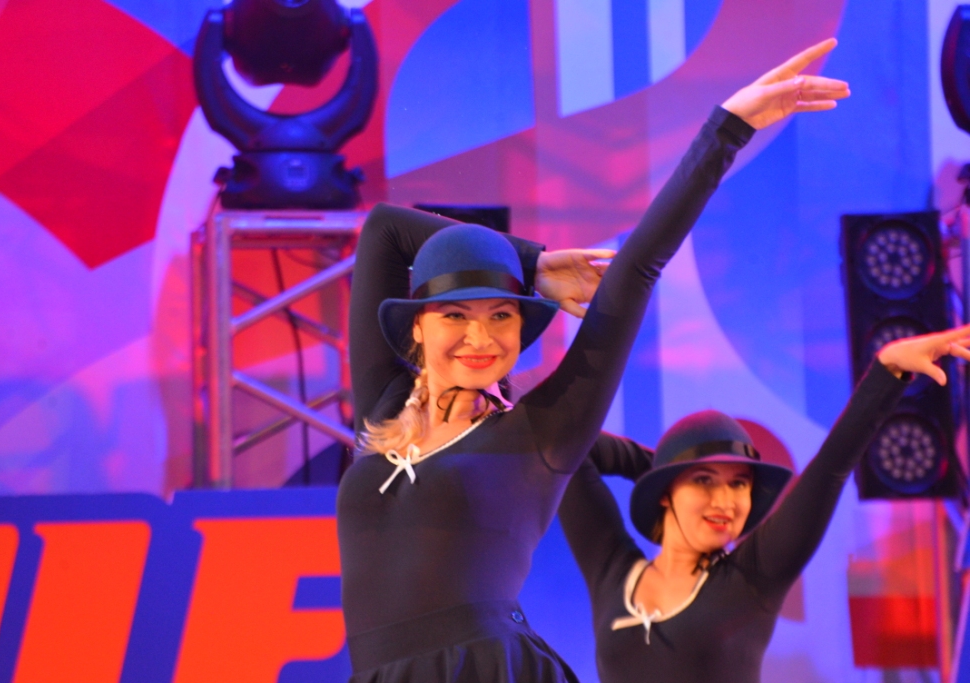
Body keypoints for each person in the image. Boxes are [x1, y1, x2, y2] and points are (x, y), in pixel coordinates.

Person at [336, 39, 850, 683]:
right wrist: (532, 265)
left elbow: (637, 269)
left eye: (502, 315)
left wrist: (729, 128)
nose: (481, 337)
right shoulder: (384, 409)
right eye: (456, 315)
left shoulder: (538, 432)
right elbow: (384, 228)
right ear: (417, 325)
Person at [559, 328, 970, 682]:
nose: (725, 501)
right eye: (704, 480)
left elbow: (829, 470)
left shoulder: (752, 577)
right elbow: (566, 450)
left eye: (739, 484)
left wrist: (887, 371)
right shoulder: (612, 572)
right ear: (666, 493)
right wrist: (662, 471)